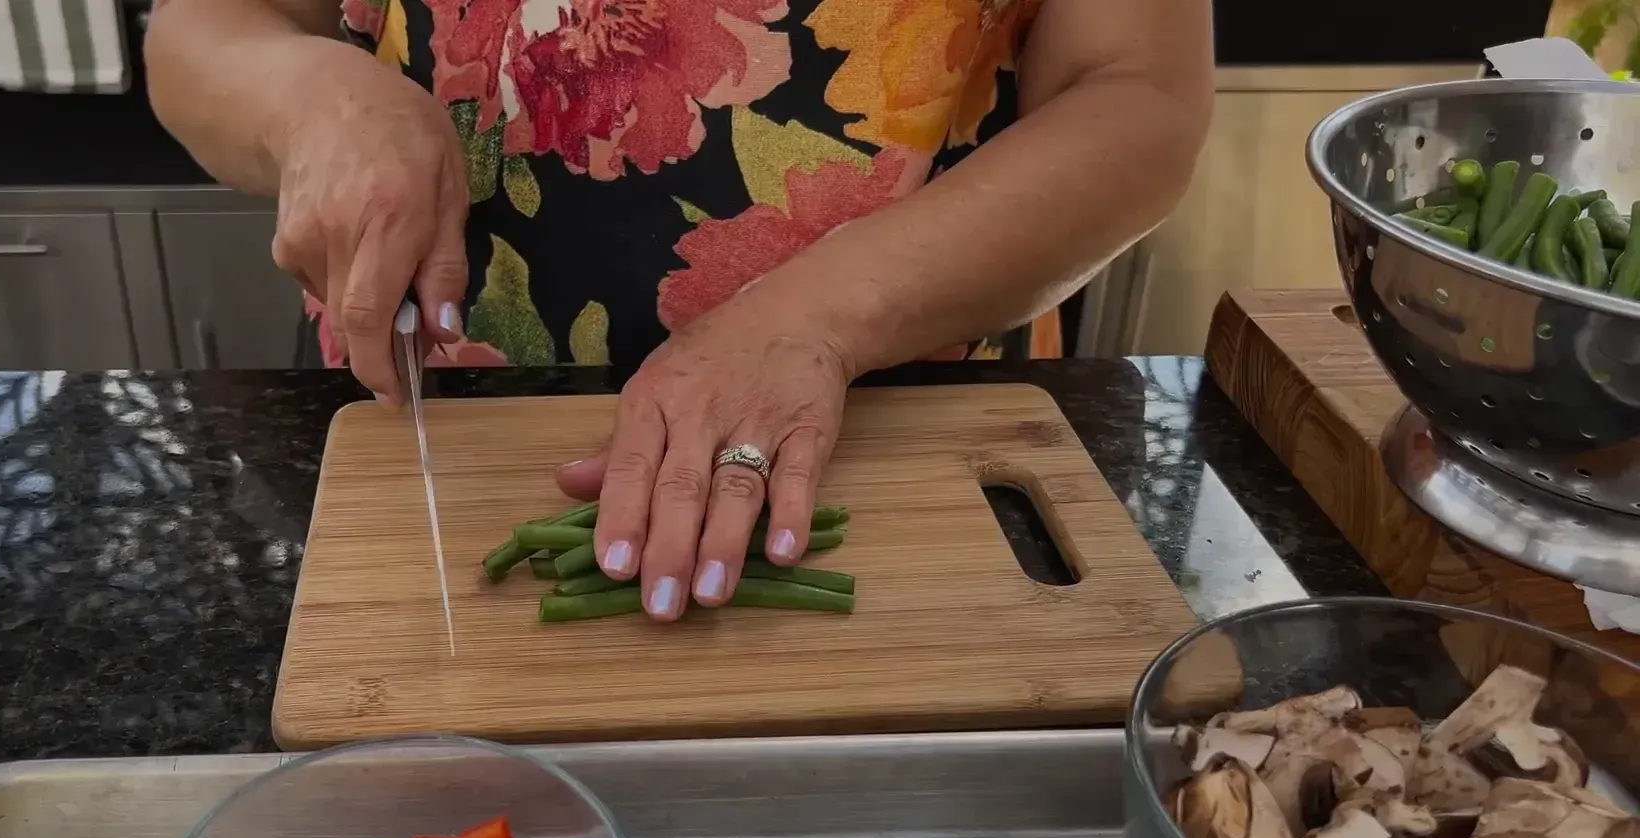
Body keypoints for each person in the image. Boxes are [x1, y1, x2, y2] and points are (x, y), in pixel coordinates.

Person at [144, 0, 1212, 622]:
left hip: (902, 434)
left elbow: (1137, 94)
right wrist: (313, 98)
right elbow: (202, 31)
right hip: (416, 423)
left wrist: (820, 320)